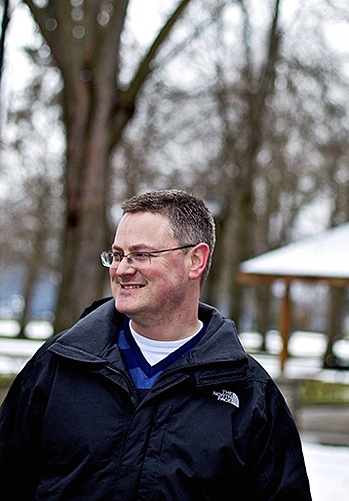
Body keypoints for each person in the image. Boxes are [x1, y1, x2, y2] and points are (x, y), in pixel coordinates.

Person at [0, 189, 312, 500]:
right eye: (118, 255)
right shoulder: (59, 364)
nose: (122, 269)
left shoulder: (248, 393)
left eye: (141, 255)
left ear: (195, 260)